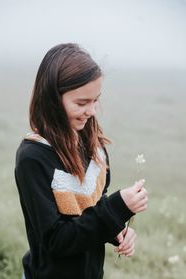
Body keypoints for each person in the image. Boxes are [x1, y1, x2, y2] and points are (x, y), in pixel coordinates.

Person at [15, 43, 148, 279]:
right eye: (81, 103)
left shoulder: (94, 146)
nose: (92, 111)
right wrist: (117, 207)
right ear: (52, 99)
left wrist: (115, 229)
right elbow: (56, 241)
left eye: (96, 100)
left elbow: (92, 208)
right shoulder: (32, 158)